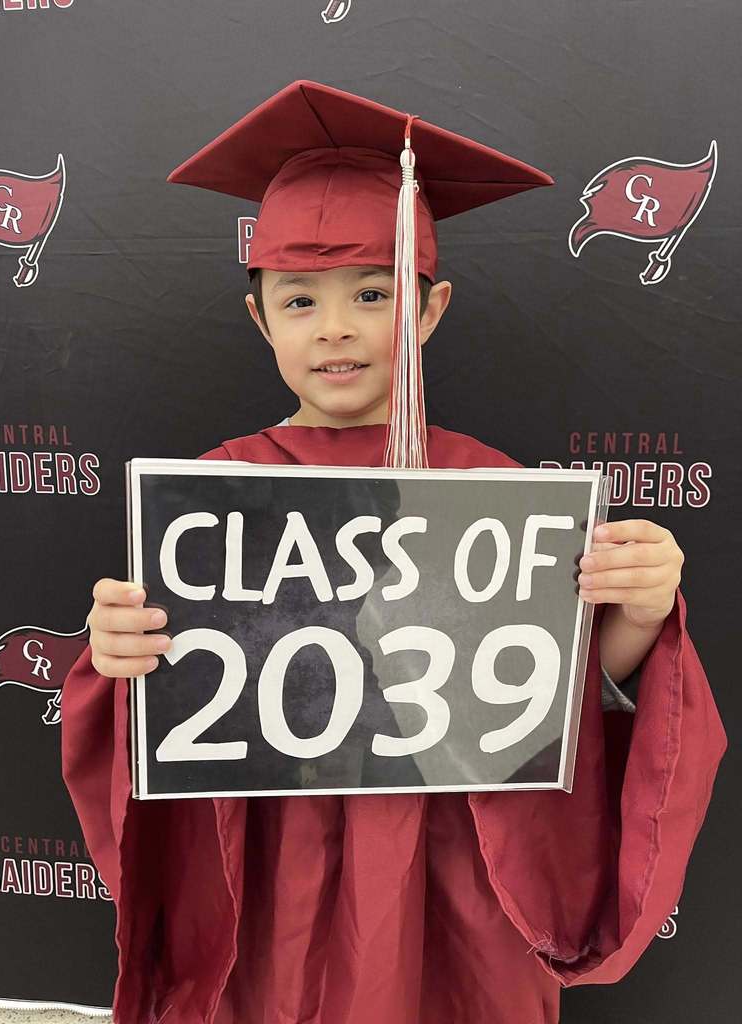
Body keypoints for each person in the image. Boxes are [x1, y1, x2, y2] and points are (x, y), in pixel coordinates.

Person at [61, 81, 726, 1024]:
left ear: (430, 309)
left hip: (454, 871)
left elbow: (562, 689)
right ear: (262, 320)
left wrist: (639, 616)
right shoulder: (213, 492)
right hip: (271, 861)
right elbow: (163, 704)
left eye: (373, 293)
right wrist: (120, 658)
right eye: (300, 300)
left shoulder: (498, 491)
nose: (336, 327)